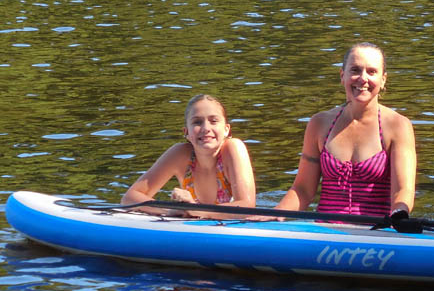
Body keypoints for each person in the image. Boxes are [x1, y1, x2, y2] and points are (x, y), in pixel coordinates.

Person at [276, 42, 416, 218]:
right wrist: (275, 214)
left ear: (383, 80)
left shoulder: (398, 126)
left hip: (377, 234)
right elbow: (303, 190)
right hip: (325, 231)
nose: (363, 78)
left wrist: (399, 216)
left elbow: (403, 190)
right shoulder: (319, 123)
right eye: (355, 70)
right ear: (342, 76)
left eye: (371, 72)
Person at [122, 94, 255, 217]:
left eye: (213, 121)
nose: (206, 128)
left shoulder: (233, 148)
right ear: (186, 132)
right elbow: (130, 198)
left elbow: (246, 206)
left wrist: (195, 210)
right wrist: (170, 210)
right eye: (197, 122)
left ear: (226, 130)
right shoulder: (179, 154)